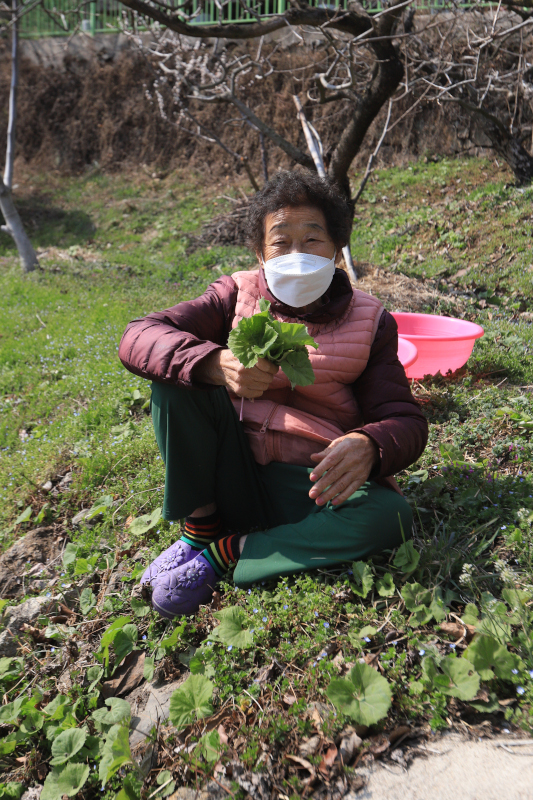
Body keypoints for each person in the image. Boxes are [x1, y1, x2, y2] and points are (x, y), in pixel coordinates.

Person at [118, 170, 428, 620]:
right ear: (260, 252)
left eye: (313, 240)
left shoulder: (370, 320)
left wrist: (371, 445)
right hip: (231, 466)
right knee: (175, 377)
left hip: (309, 483)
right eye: (281, 242)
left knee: (390, 514)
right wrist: (213, 365)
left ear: (337, 251)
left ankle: (233, 549)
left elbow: (404, 417)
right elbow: (140, 336)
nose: (297, 255)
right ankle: (201, 527)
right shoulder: (234, 296)